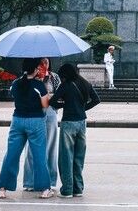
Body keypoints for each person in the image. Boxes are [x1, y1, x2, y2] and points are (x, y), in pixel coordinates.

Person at [0, 58, 54, 199]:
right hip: (36, 122)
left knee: (11, 155)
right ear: (35, 69)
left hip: (17, 121)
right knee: (39, 155)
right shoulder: (38, 85)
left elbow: (16, 96)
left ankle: (2, 188)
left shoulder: (16, 83)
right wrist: (49, 95)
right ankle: (45, 189)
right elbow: (45, 105)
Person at [50, 63, 101, 198]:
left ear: (65, 74)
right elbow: (96, 99)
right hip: (82, 123)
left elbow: (53, 102)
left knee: (66, 157)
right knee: (79, 157)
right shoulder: (85, 83)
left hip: (68, 123)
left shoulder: (65, 85)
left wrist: (64, 104)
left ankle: (67, 189)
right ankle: (78, 189)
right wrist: (83, 108)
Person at [22, 58, 60, 192]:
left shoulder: (54, 77)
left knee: (50, 146)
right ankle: (30, 181)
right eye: (41, 62)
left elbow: (61, 95)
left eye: (46, 62)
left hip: (50, 112)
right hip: (33, 111)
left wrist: (48, 95)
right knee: (32, 148)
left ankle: (50, 180)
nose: (44, 65)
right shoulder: (29, 77)